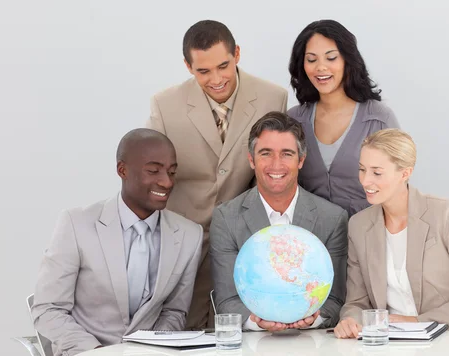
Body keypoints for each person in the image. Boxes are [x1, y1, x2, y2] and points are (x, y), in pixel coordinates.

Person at [147, 20, 288, 330]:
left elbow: (272, 170)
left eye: (223, 66)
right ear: (188, 66)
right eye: (203, 71)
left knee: (247, 331)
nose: (217, 79)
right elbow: (152, 175)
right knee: (185, 329)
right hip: (183, 238)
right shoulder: (165, 105)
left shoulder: (272, 97)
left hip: (245, 239)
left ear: (237, 54)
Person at [31, 129, 204, 355]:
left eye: (171, 172)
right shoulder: (76, 224)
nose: (167, 182)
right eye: (153, 171)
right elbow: (48, 309)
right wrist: (97, 351)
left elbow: (174, 311)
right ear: (122, 170)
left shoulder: (190, 235)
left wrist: (153, 350)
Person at [334, 129, 449, 339]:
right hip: (395, 344)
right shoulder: (359, 226)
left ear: (405, 173)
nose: (366, 181)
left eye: (377, 173)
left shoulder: (443, 214)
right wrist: (351, 320)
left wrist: (417, 322)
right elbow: (357, 302)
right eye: (362, 169)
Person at [210, 112, 348, 331]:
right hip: (251, 344)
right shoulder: (226, 218)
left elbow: (336, 300)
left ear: (301, 160)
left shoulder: (332, 218)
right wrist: (259, 324)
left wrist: (314, 320)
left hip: (313, 344)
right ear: (251, 160)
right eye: (266, 153)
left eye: (286, 154)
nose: (276, 165)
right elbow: (226, 301)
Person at [287, 20, 399, 217]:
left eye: (331, 58)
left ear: (347, 61)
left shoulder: (379, 119)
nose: (321, 67)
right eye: (311, 60)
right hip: (311, 240)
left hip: (367, 239)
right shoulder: (294, 120)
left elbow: (398, 189)